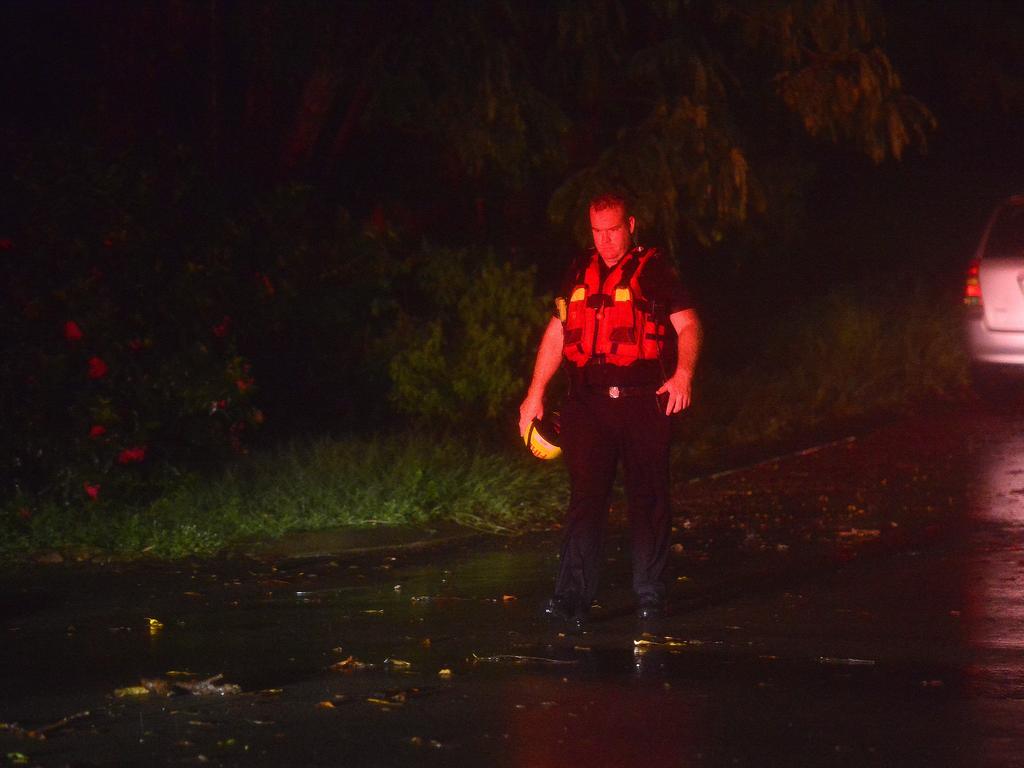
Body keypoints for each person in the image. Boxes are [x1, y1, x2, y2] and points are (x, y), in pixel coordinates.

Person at [518, 192, 701, 626]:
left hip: (643, 404)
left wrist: (683, 374)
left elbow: (689, 324)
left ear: (631, 225)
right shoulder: (579, 270)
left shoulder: (654, 268)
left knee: (648, 499)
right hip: (588, 406)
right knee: (585, 501)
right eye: (597, 232)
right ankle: (572, 601)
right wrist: (535, 393)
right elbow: (558, 332)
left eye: (613, 230)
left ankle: (651, 597)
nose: (606, 241)